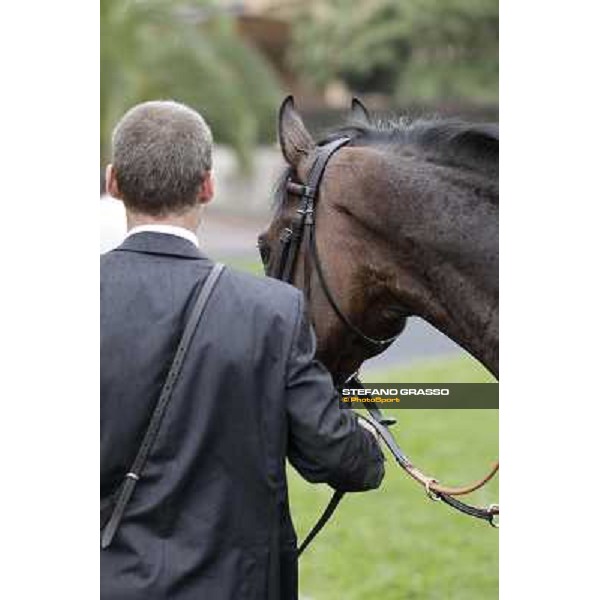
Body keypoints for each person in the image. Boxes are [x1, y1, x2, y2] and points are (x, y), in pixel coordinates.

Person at [101, 100, 384, 600]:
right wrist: (367, 437)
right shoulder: (272, 312)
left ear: (113, 182)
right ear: (208, 186)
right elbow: (338, 459)